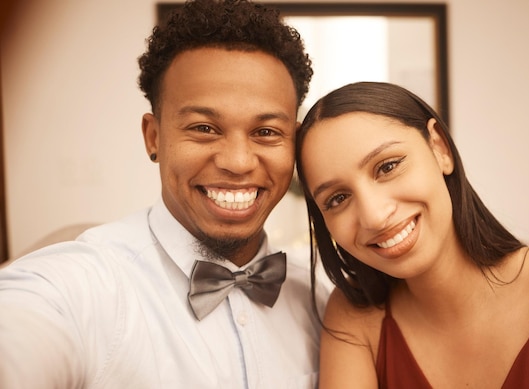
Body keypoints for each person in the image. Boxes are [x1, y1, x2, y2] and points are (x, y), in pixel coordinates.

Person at [0, 1, 328, 387]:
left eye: (267, 132)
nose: (238, 162)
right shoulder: (79, 287)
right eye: (204, 128)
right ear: (153, 137)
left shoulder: (323, 299)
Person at [295, 81, 529, 388]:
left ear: (440, 148)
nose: (374, 216)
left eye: (388, 166)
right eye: (337, 199)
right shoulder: (356, 317)